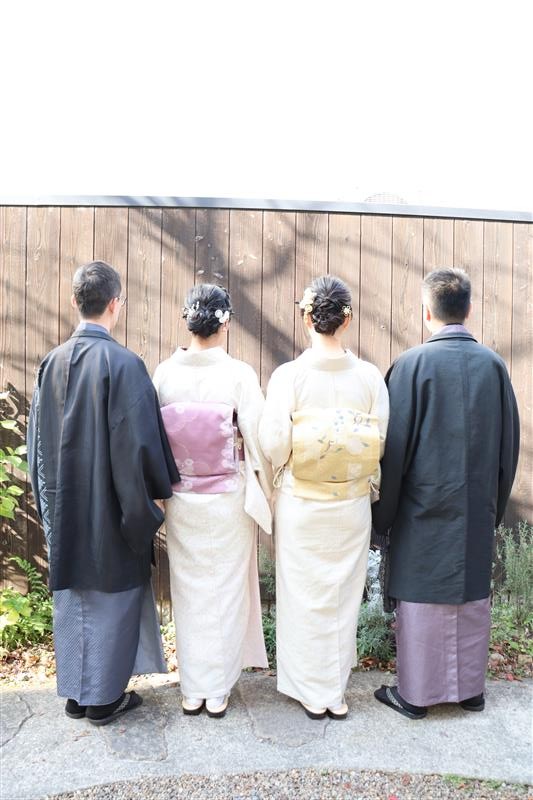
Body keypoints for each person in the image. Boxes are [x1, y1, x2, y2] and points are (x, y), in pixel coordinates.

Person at [27, 261, 179, 726]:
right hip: (111, 508)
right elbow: (140, 447)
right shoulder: (125, 364)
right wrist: (149, 503)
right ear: (116, 304)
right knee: (110, 598)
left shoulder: (51, 363)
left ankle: (77, 693)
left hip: (64, 506)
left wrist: (47, 507)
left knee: (75, 597)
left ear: (75, 302)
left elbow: (35, 448)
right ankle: (104, 699)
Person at [372, 267, 520, 719]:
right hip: (475, 506)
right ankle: (469, 691)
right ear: (468, 309)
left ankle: (416, 695)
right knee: (469, 595)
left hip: (421, 507)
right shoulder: (493, 367)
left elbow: (392, 453)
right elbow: (509, 448)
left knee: (424, 596)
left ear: (426, 312)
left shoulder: (411, 365)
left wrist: (383, 517)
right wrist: (494, 506)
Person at [258, 275, 389, 719]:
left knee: (303, 595)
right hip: (350, 502)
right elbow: (379, 441)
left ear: (306, 318)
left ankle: (311, 689)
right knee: (341, 596)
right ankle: (333, 690)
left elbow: (274, 442)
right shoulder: (369, 377)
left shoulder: (289, 376)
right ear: (346, 320)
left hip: (302, 500)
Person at [153, 284, 272, 718]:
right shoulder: (238, 374)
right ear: (225, 324)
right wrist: (263, 481)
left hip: (182, 496)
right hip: (228, 498)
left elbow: (153, 440)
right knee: (226, 588)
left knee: (189, 591)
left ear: (188, 321)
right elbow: (260, 438)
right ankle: (217, 690)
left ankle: (193, 689)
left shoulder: (164, 374)